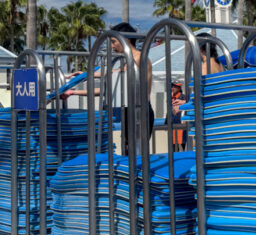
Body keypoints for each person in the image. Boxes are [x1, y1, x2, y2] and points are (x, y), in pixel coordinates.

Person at [62, 22, 154, 154]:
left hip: (142, 111)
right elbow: (106, 91)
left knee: (138, 153)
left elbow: (118, 72)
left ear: (126, 40)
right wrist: (73, 92)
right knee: (128, 151)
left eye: (114, 42)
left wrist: (88, 75)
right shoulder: (125, 60)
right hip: (129, 111)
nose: (112, 46)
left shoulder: (139, 58)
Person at [170, 81, 187, 151]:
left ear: (179, 88)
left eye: (175, 87)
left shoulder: (184, 98)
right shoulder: (171, 98)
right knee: (173, 147)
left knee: (183, 145)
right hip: (173, 125)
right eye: (172, 86)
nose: (173, 88)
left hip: (181, 126)